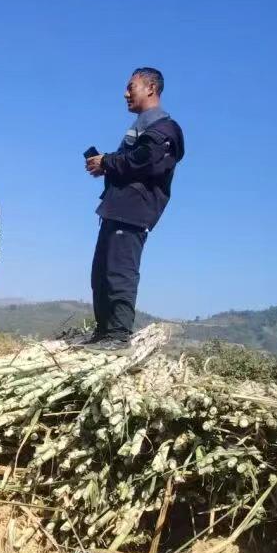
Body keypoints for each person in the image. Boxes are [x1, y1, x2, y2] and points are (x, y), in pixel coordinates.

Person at [85, 67, 185, 353]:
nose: (125, 93)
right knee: (101, 273)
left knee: (120, 272)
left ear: (151, 88)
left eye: (132, 87)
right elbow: (132, 160)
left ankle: (118, 335)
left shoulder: (165, 128)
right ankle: (104, 333)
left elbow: (149, 160)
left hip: (132, 212)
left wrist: (108, 162)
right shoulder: (143, 125)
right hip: (115, 209)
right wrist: (104, 165)